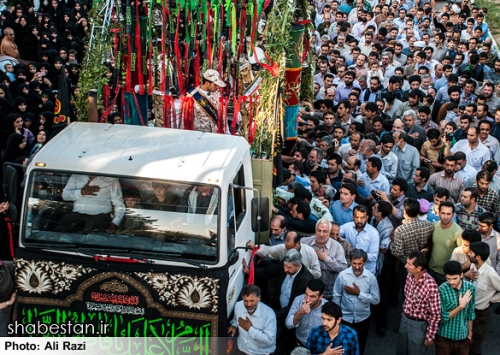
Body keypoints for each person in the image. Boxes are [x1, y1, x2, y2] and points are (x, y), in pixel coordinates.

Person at [333, 249, 380, 355]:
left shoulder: (370, 278)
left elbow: (376, 300)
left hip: (363, 319)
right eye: (354, 263)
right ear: (350, 262)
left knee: (360, 346)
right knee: (343, 347)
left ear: (364, 263)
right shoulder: (343, 275)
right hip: (345, 318)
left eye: (360, 264)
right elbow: (336, 295)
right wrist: (337, 316)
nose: (357, 267)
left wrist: (359, 293)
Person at [397, 251, 441, 355]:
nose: (405, 266)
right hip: (405, 320)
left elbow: (435, 314)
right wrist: (403, 314)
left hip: (418, 325)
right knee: (401, 350)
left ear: (419, 268)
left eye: (409, 264)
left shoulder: (430, 285)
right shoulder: (409, 277)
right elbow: (407, 298)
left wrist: (430, 336)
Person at [301, 218, 347, 300]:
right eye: (319, 230)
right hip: (307, 293)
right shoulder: (304, 243)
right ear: (315, 230)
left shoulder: (337, 247)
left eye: (325, 231)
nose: (321, 234)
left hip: (328, 294)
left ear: (329, 232)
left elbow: (343, 268)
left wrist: (326, 259)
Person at [61, 174, 125, 233]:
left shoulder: (111, 178)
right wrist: (81, 192)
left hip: (99, 218)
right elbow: (65, 196)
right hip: (76, 216)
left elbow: (118, 202)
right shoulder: (76, 176)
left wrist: (116, 222)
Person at [435, 260, 475, 355]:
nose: (451, 282)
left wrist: (469, 334)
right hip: (445, 337)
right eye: (448, 278)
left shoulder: (470, 288)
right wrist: (461, 306)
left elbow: (471, 312)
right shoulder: (442, 290)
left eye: (454, 278)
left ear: (461, 275)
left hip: (463, 336)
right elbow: (443, 317)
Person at [467, 242, 500, 355]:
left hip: (480, 313)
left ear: (478, 257)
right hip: (468, 309)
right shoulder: (473, 266)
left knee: (474, 344)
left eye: (471, 252)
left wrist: (491, 299)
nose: (468, 254)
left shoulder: (491, 274)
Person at [392, 199, 434, 281]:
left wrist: (391, 244)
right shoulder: (429, 225)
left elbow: (398, 252)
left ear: (405, 212)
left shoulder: (400, 230)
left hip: (407, 266)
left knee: (407, 290)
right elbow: (431, 242)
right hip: (423, 264)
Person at [250, 231, 322, 279]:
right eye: (287, 248)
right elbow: (268, 251)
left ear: (299, 243)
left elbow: (317, 273)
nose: (289, 251)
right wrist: (253, 247)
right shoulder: (282, 248)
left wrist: (299, 270)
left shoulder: (310, 252)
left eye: (291, 248)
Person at [228, 284, 277, 355]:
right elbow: (236, 319)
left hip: (261, 352)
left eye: (252, 301)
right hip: (242, 348)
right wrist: (234, 325)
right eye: (246, 301)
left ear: (259, 298)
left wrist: (250, 329)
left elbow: (270, 340)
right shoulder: (238, 306)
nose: (249, 304)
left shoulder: (269, 314)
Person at [428, 201, 463, 285]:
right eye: (443, 213)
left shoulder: (458, 232)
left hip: (447, 274)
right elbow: (432, 243)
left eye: (448, 214)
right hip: (431, 269)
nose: (445, 217)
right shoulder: (434, 226)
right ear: (438, 213)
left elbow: (462, 254)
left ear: (453, 215)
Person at [286, 279, 327, 347]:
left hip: (318, 345)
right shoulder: (298, 300)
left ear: (320, 297)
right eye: (306, 294)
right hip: (300, 342)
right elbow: (288, 324)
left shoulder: (326, 307)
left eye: (312, 297)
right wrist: (300, 313)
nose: (307, 300)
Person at [339, 205, 380, 274]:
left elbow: (373, 256)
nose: (359, 220)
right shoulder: (347, 227)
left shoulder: (373, 233)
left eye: (362, 217)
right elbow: (334, 232)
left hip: (367, 271)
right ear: (353, 217)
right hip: (350, 269)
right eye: (357, 217)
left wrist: (357, 256)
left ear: (367, 218)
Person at [186, 69, 226, 133]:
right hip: (200, 134)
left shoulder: (217, 94)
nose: (217, 87)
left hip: (215, 133)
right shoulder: (193, 96)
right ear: (207, 83)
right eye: (215, 85)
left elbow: (222, 113)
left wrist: (226, 130)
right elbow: (186, 119)